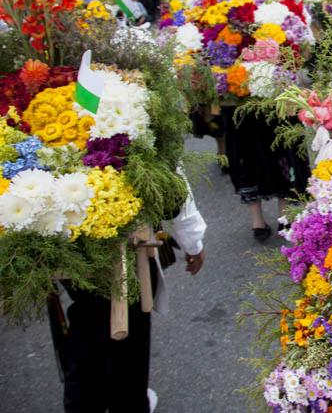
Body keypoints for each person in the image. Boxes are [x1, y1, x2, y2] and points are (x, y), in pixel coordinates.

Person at [52, 183, 207, 413]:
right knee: (127, 332)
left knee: (88, 319)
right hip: (120, 243)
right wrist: (193, 242)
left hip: (72, 242)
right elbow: (171, 179)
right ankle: (124, 398)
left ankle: (92, 397)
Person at [222, 106, 311, 240]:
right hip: (273, 103)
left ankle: (258, 222)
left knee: (247, 155)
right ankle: (285, 217)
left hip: (242, 104)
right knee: (284, 150)